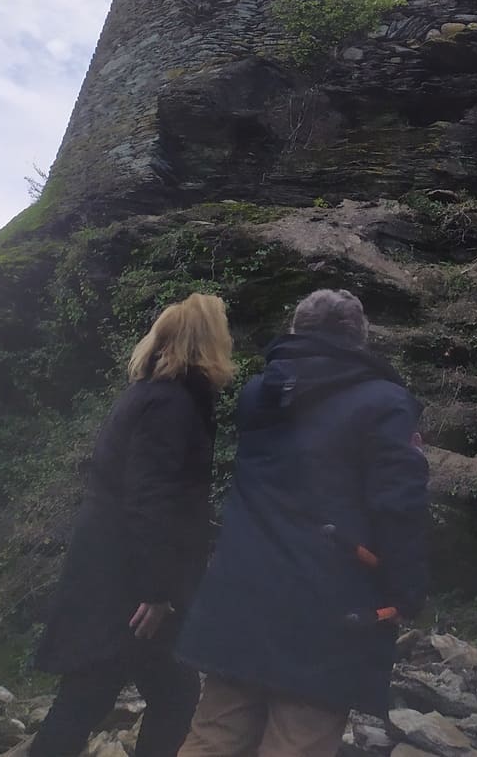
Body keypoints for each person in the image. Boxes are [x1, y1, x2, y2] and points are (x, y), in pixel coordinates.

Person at [175, 289, 429, 757]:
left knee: (214, 735)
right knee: (298, 740)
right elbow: (400, 507)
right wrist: (406, 591)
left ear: (296, 331)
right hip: (326, 610)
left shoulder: (258, 395)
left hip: (241, 594)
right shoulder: (385, 403)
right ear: (361, 339)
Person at [29, 292, 234, 757]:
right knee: (94, 694)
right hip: (129, 584)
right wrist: (157, 590)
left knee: (161, 692)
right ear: (208, 342)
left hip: (114, 569)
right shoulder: (171, 405)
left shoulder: (151, 395)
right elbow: (150, 499)